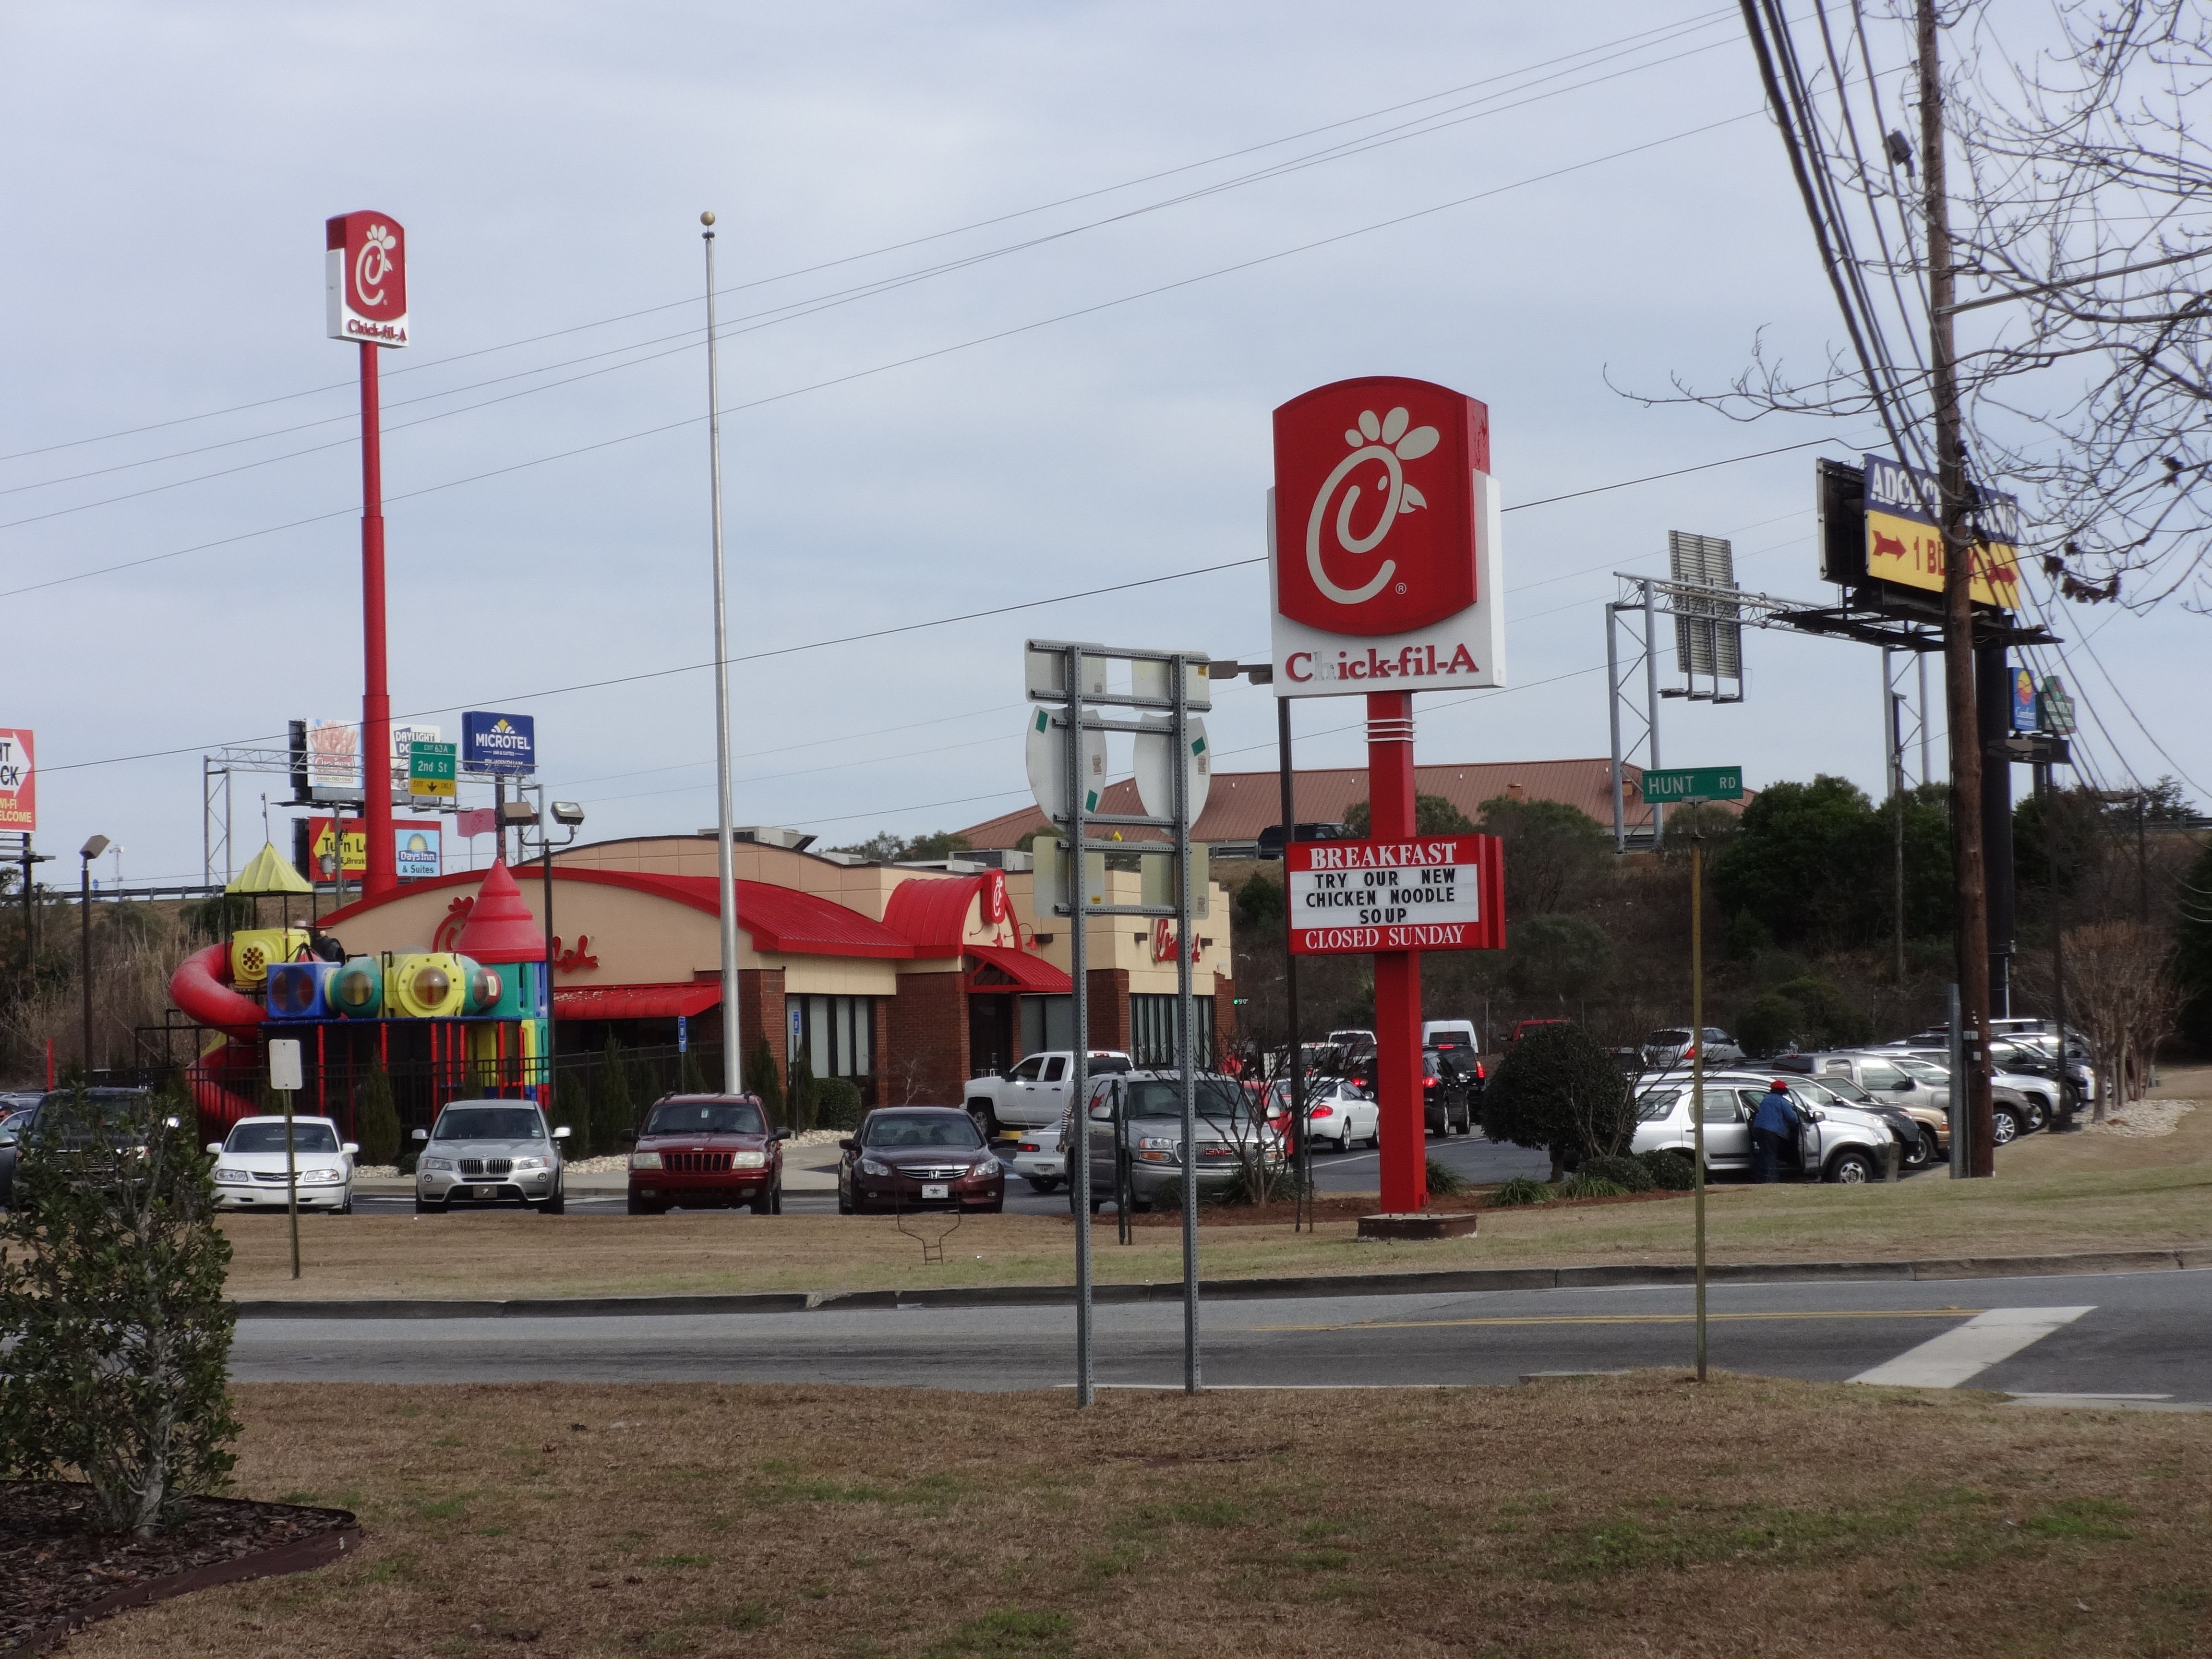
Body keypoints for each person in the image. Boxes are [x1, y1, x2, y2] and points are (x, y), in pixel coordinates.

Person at [1749, 1080, 1803, 1183]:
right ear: (1782, 1091)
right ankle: (1771, 1180)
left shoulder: (1766, 1100)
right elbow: (1791, 1118)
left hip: (1758, 1129)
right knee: (1771, 1155)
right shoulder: (1782, 1101)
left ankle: (1760, 1177)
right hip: (1771, 1132)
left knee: (1764, 1154)